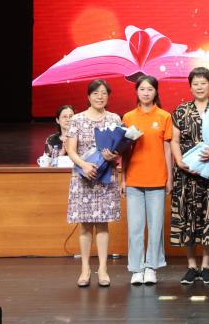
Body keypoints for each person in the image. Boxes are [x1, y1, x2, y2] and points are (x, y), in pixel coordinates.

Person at [170, 67, 209, 286]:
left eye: (203, 83)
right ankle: (191, 266)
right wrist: (179, 161)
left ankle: (206, 266)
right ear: (190, 86)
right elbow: (174, 140)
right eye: (195, 83)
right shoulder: (181, 110)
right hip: (186, 173)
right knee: (188, 217)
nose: (199, 87)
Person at [65, 79, 123, 288]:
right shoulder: (77, 119)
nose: (100, 97)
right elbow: (71, 150)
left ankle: (103, 269)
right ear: (88, 96)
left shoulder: (114, 118)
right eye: (96, 93)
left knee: (103, 225)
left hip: (105, 177)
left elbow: (119, 148)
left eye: (104, 93)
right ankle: (85, 269)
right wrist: (84, 165)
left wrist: (113, 156)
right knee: (85, 226)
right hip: (84, 177)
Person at [122, 74, 173, 286]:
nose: (146, 93)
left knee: (155, 226)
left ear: (155, 92)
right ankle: (136, 268)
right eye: (142, 89)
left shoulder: (164, 116)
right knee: (135, 227)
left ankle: (151, 267)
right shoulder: (128, 117)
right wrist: (123, 178)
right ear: (136, 91)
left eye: (150, 89)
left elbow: (167, 148)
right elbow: (124, 151)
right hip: (134, 179)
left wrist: (170, 177)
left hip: (157, 179)